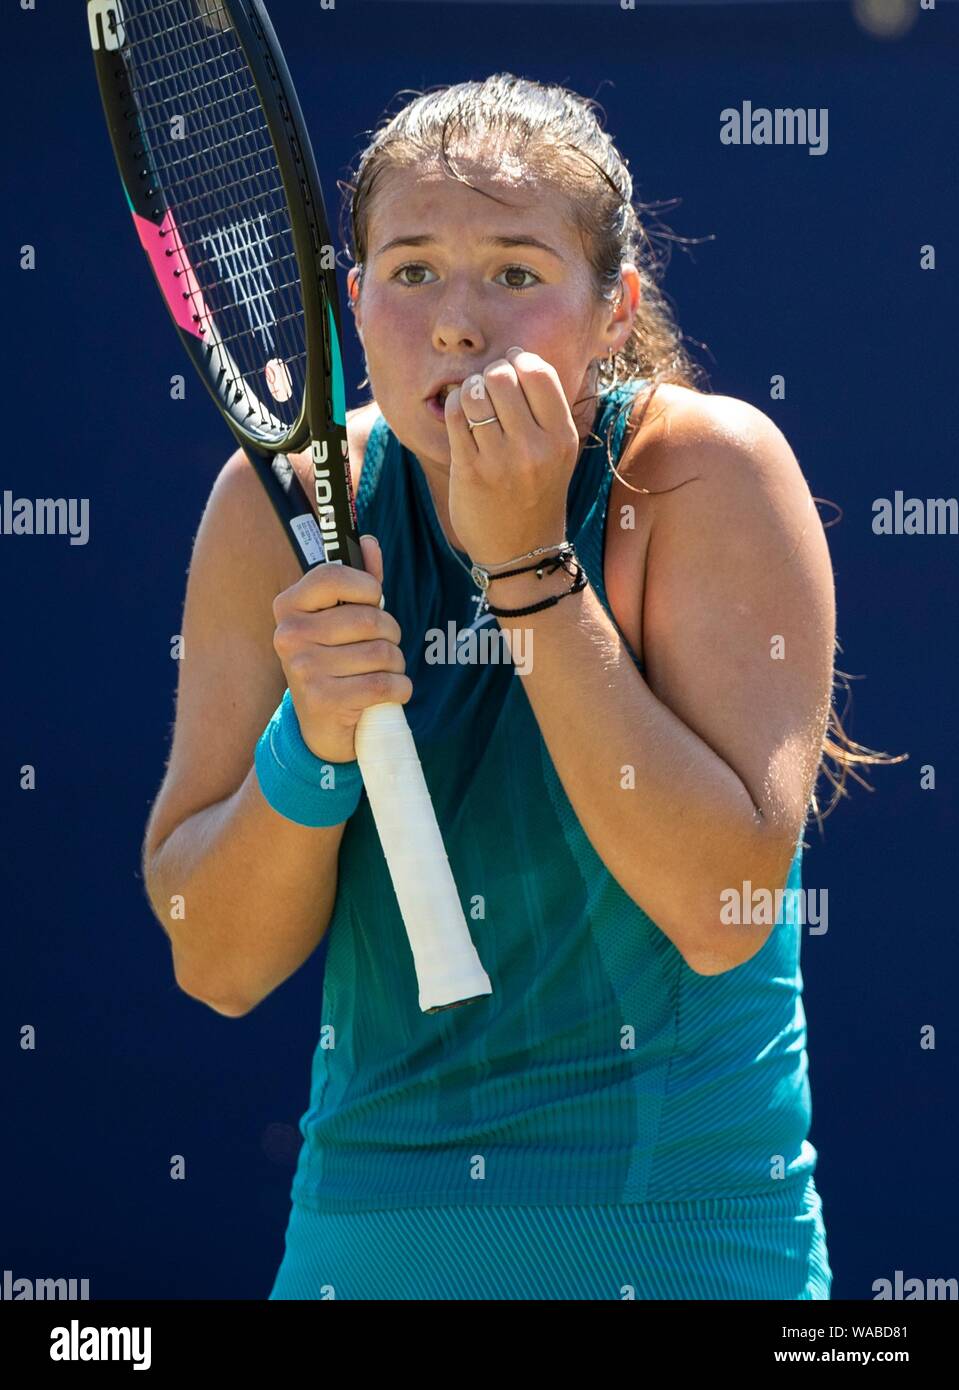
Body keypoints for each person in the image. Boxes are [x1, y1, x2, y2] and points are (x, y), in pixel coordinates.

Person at [142, 75, 888, 1300]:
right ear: (354, 303)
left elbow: (723, 905)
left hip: (691, 1262)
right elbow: (213, 962)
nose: (454, 322)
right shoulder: (265, 507)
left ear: (613, 312)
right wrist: (309, 742)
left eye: (515, 273)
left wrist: (529, 569)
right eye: (413, 269)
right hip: (363, 1259)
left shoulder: (708, 473)